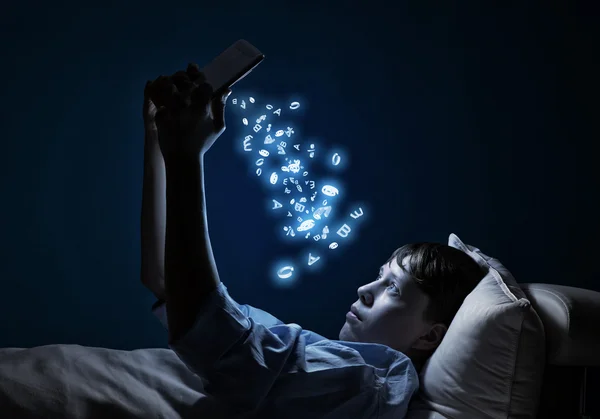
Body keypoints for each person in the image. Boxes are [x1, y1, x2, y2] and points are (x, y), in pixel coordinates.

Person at [142, 64, 486, 418]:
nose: (365, 289)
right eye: (380, 276)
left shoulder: (370, 382)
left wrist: (185, 154)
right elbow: (170, 283)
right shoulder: (320, 354)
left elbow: (214, 337)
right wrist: (157, 136)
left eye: (393, 289)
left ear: (430, 336)